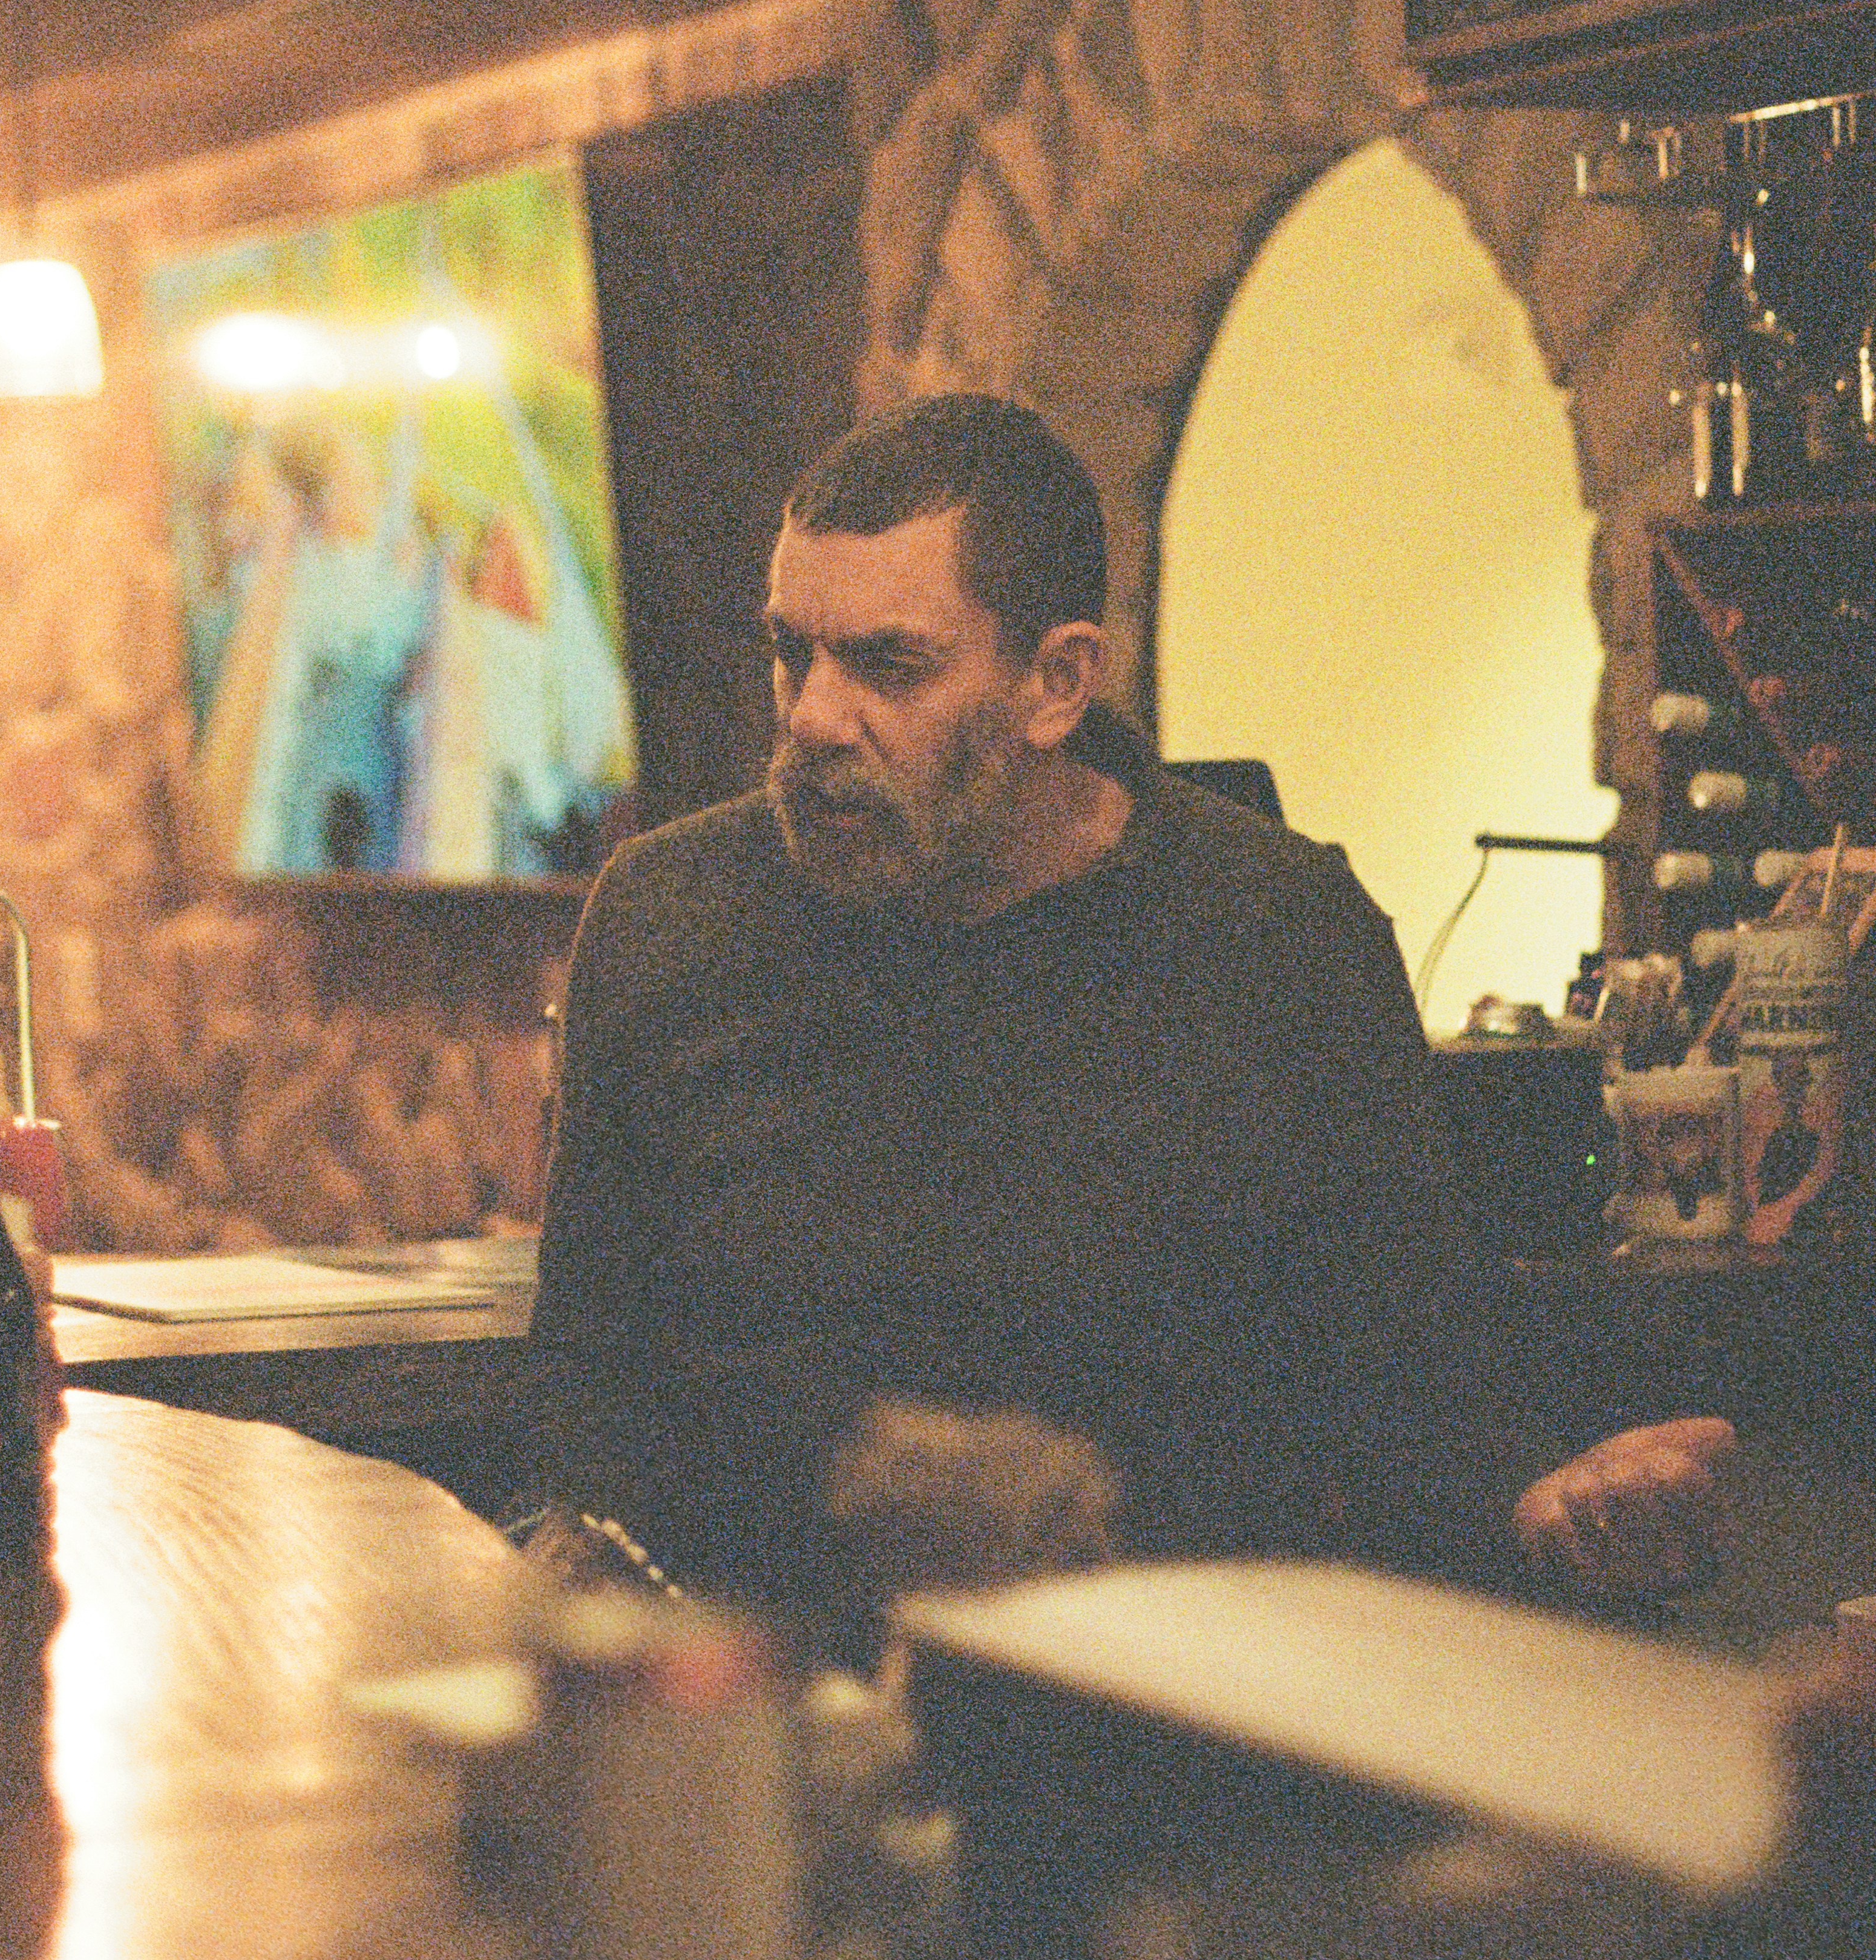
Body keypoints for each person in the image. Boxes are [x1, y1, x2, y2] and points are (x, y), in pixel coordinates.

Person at [526, 393, 1730, 1628]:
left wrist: (1547, 1503)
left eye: (888, 661)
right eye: (793, 649)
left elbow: (1409, 1383)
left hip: (1175, 1717)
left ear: (1059, 682)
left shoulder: (1274, 932)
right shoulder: (669, 917)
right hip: (757, 1705)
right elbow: (587, 1398)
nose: (814, 715)